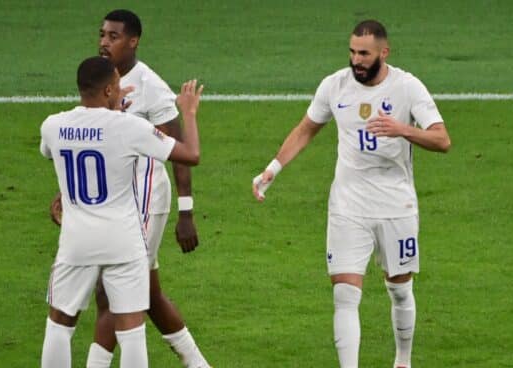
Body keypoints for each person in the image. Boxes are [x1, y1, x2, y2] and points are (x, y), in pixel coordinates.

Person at [252, 20, 451, 368]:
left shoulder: (407, 87)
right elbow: (306, 129)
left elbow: (442, 139)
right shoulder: (335, 86)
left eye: (364, 54)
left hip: (395, 205)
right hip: (348, 205)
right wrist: (273, 168)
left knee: (400, 288)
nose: (356, 60)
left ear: (383, 53)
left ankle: (402, 361)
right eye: (352, 52)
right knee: (345, 293)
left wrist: (401, 129)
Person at [50, 9, 211, 368]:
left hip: (145, 198)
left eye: (114, 36)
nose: (105, 42)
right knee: (146, 294)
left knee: (114, 292)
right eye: (102, 34)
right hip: (114, 197)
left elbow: (180, 150)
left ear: (133, 40)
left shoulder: (150, 86)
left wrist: (186, 211)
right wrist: (72, 191)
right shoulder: (101, 81)